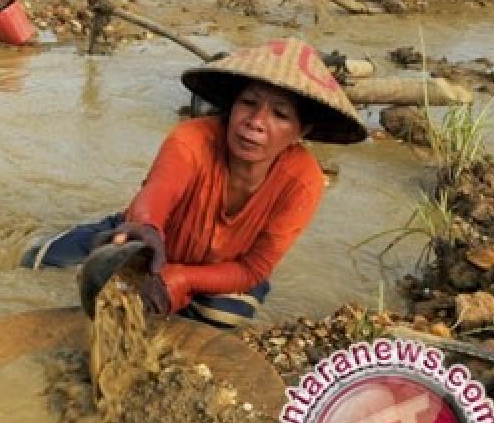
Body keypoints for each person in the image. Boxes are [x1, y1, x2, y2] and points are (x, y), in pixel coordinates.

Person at [23, 37, 368, 329]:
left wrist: (183, 279)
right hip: (150, 243)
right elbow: (156, 193)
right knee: (36, 263)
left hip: (220, 270)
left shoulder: (303, 180)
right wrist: (144, 231)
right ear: (231, 107)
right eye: (248, 104)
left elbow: (254, 267)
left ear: (300, 131)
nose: (256, 123)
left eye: (280, 114)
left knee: (221, 317)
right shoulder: (192, 138)